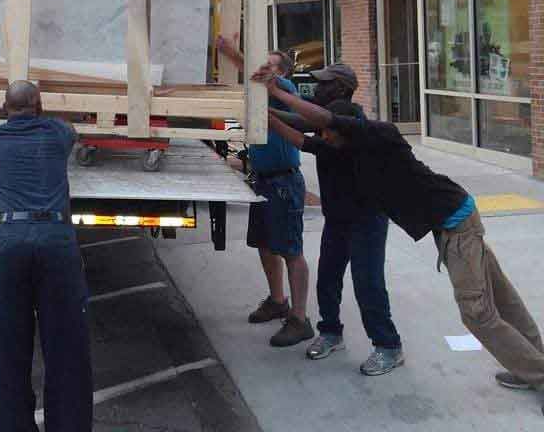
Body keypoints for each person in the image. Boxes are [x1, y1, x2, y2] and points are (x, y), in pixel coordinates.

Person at [256, 67, 544, 413]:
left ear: (346, 127)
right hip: (450, 224)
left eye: (330, 133)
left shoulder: (380, 134)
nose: (325, 138)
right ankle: (533, 365)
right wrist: (267, 115)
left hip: (457, 222)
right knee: (503, 298)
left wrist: (279, 91)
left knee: (477, 313)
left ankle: (538, 375)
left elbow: (321, 119)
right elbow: (304, 137)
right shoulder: (343, 147)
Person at [0, 81, 93, 432]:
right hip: (55, 242)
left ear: (5, 107)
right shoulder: (57, 135)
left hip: (8, 243)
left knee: (6, 352)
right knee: (67, 350)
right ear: (39, 105)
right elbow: (72, 126)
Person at [272, 63, 404, 376]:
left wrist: (269, 112)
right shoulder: (327, 114)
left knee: (367, 284)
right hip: (339, 217)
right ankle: (330, 333)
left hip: (366, 217)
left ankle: (388, 346)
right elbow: (304, 134)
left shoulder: (347, 114)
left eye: (324, 84)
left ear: (341, 88)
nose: (317, 88)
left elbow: (303, 127)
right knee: (328, 278)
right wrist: (266, 115)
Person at [216, 35, 313, 347]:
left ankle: (299, 319)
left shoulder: (286, 92)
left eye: (271, 67)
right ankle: (277, 300)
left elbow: (261, 78)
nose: (264, 71)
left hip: (284, 183)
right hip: (262, 180)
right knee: (265, 245)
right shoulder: (258, 96)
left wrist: (233, 53)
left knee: (291, 250)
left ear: (282, 73)